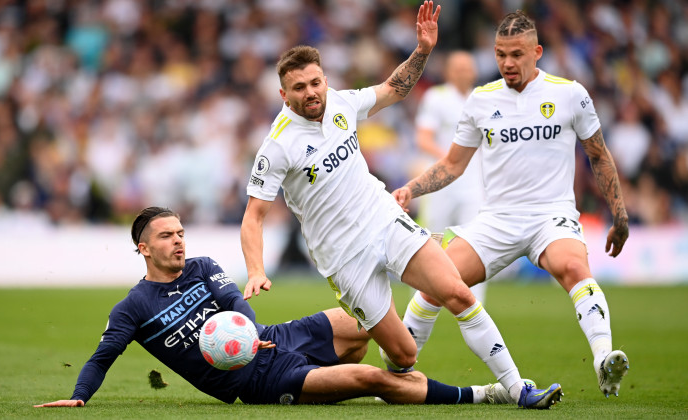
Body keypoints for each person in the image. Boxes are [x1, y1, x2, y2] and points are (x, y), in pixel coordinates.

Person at [241, 1, 561, 409]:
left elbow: (394, 88)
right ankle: (397, 378)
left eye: (316, 83)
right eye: (300, 88)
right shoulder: (277, 146)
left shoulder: (341, 102)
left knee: (457, 293)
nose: (311, 93)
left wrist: (424, 50)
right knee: (405, 354)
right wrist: (255, 270)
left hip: (384, 219)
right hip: (343, 257)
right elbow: (254, 217)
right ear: (284, 94)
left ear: (325, 80)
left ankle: (517, 390)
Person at [34, 206, 515, 407]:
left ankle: (400, 354)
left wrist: (247, 327)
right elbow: (103, 356)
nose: (179, 242)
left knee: (368, 320)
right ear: (143, 248)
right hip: (257, 379)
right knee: (372, 379)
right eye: (166, 236)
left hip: (274, 339)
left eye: (180, 233)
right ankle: (483, 394)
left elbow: (233, 301)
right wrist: (80, 395)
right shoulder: (134, 308)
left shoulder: (202, 266)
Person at [392, 10, 630, 398]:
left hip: (550, 216)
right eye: (501, 54)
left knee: (572, 266)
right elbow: (453, 163)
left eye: (516, 54)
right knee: (437, 282)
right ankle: (400, 365)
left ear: (537, 52)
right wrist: (411, 190)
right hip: (496, 220)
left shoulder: (570, 94)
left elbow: (598, 154)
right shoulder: (482, 100)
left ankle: (604, 359)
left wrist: (620, 216)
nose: (507, 63)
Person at [406, 51, 486, 356]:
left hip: (473, 184)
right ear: (449, 71)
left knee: (475, 242)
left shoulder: (481, 98)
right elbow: (422, 138)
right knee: (431, 244)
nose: (464, 72)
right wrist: (450, 160)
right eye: (458, 67)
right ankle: (420, 310)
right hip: (441, 184)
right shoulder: (436, 98)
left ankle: (475, 310)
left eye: (468, 67)